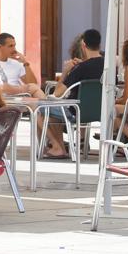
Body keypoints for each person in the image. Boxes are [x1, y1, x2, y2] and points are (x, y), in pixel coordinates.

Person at [43, 28, 104, 159]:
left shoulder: (80, 68)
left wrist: (66, 71)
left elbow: (57, 93)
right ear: (99, 45)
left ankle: (57, 146)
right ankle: (59, 146)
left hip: (76, 112)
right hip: (101, 112)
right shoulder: (108, 67)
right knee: (53, 113)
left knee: (41, 109)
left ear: (83, 45)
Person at [0, 33, 42, 97]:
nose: (14, 49)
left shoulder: (17, 63)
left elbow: (32, 83)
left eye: (14, 46)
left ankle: (46, 106)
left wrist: (25, 63)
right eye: (10, 46)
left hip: (19, 97)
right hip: (1, 97)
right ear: (0, 47)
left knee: (35, 90)